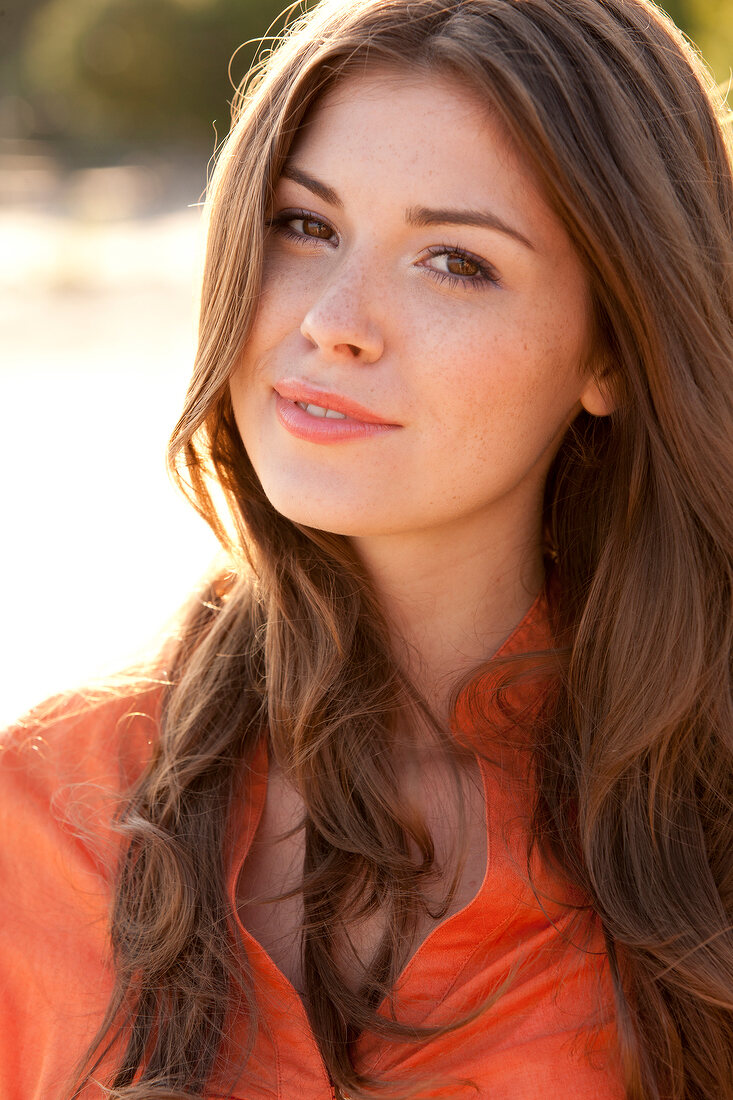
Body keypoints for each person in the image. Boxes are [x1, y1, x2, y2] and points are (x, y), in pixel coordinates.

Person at [1, 0, 732, 1097]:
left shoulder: (703, 819)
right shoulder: (43, 808)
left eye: (453, 260)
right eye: (305, 225)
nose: (334, 320)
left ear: (614, 354)